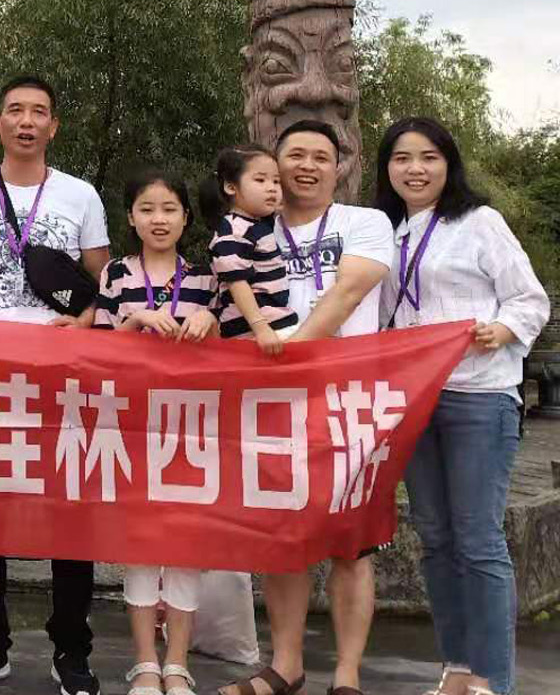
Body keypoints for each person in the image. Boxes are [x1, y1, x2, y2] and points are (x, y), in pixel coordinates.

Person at [0, 75, 110, 695]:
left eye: (39, 112)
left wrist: (84, 326)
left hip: (64, 375)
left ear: (53, 126)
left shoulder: (80, 195)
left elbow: (102, 283)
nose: (27, 121)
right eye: (15, 110)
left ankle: (72, 650)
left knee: (70, 512)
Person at [376, 117, 549, 695]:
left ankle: (492, 680)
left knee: (478, 539)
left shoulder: (479, 223)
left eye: (429, 157)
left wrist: (503, 329)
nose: (415, 169)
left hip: (478, 394)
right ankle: (455, 669)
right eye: (402, 158)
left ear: (448, 164)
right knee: (435, 538)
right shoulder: (385, 233)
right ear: (387, 168)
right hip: (414, 400)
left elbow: (529, 299)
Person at [219, 119, 392, 695]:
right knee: (281, 535)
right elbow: (224, 296)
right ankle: (286, 666)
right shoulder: (250, 229)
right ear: (276, 164)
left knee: (351, 543)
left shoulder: (364, 222)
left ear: (339, 166)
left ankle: (346, 675)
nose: (308, 166)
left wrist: (293, 353)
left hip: (349, 399)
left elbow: (349, 291)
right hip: (272, 403)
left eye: (321, 156)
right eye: (295, 155)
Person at [94, 172, 219, 695]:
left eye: (169, 209)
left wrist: (210, 324)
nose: (159, 219)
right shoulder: (116, 274)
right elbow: (96, 350)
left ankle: (178, 663)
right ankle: (146, 662)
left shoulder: (208, 279)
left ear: (186, 217)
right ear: (131, 217)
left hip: (192, 428)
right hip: (132, 425)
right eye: (147, 209)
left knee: (187, 544)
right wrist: (136, 321)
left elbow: (230, 348)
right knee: (141, 543)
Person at [199, 146, 297, 354]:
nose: (271, 188)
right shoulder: (232, 232)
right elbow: (237, 283)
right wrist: (260, 327)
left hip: (274, 325)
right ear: (231, 187)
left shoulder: (255, 224)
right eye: (260, 180)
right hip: (256, 332)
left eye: (276, 181)